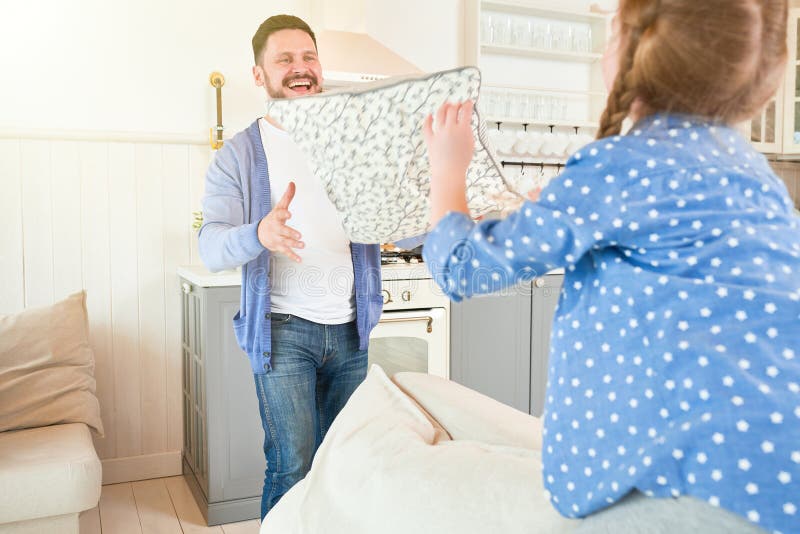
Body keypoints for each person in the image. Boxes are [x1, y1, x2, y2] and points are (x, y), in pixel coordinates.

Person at [422, 0, 799, 532]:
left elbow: (463, 268)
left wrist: (447, 167)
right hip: (780, 482)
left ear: (627, 54)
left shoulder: (617, 165)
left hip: (674, 487)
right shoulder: (760, 181)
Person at [198, 14, 389, 520]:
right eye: (284, 59)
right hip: (284, 333)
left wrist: (449, 210)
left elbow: (395, 219)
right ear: (259, 74)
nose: (300, 69)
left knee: (342, 462)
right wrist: (259, 233)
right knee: (292, 465)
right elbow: (210, 246)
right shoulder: (238, 155)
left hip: (351, 330)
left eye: (308, 57)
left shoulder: (352, 145)